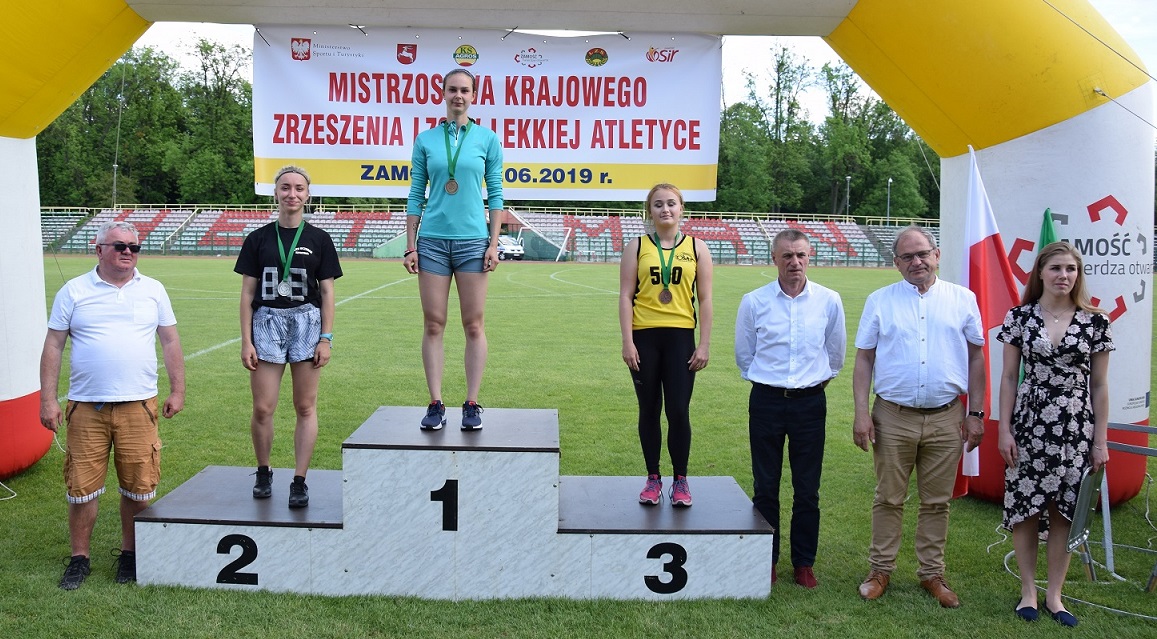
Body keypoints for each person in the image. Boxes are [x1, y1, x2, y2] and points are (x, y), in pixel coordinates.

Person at [40, 221, 186, 590]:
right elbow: (54, 345)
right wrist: (48, 399)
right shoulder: (74, 291)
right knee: (81, 487)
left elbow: (170, 341)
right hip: (86, 407)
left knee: (139, 487)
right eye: (119, 246)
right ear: (99, 249)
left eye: (134, 247)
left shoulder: (153, 289)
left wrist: (178, 390)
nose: (127, 252)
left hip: (139, 406)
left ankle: (130, 554)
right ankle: (79, 558)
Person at [852, 225, 985, 608]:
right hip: (892, 417)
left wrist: (975, 413)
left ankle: (932, 573)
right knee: (888, 498)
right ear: (896, 263)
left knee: (937, 501)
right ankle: (880, 570)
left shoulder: (962, 299)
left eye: (923, 254)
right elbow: (864, 358)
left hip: (947, 416)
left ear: (936, 255)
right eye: (907, 257)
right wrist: (861, 413)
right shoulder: (880, 300)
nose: (917, 262)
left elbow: (976, 357)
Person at [997, 242, 1112, 627]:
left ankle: (1055, 596)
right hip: (1029, 425)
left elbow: (1100, 385)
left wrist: (1099, 441)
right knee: (1026, 509)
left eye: (1071, 269)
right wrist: (1004, 430)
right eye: (1056, 268)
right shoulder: (1020, 317)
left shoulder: (1096, 322)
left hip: (1075, 428)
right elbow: (1009, 377)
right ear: (1041, 272)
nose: (1064, 275)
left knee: (1065, 511)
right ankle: (1028, 591)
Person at [735, 229, 845, 588]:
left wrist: (810, 386)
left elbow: (835, 355)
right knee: (765, 486)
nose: (794, 262)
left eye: (800, 255)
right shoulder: (754, 301)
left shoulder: (829, 300)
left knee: (807, 489)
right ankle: (766, 559)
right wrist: (773, 383)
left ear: (809, 257)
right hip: (766, 402)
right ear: (775, 259)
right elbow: (745, 355)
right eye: (787, 256)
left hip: (810, 405)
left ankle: (804, 562)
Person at [403, 68, 504, 431]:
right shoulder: (426, 139)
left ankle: (472, 404)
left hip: (473, 242)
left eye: (464, 90)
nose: (458, 95)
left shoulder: (488, 139)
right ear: (443, 93)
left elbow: (496, 194)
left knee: (473, 324)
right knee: (434, 323)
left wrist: (493, 243)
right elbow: (415, 194)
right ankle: (435, 402)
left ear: (474, 95)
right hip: (431, 241)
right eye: (452, 89)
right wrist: (410, 246)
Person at [236, 166, 342, 509]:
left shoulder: (319, 239)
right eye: (285, 187)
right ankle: (263, 470)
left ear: (307, 195)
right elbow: (246, 293)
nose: (291, 194)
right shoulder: (258, 239)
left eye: (298, 188)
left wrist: (325, 338)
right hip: (267, 321)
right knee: (263, 407)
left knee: (305, 406)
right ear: (276, 193)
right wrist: (246, 340)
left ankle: (299, 479)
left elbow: (327, 292)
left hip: (306, 322)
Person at [619, 183, 714, 507]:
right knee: (649, 409)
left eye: (671, 203)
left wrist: (703, 344)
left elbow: (705, 299)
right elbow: (625, 296)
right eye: (658, 204)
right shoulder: (636, 246)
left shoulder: (698, 248)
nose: (665, 209)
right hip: (644, 338)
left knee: (678, 410)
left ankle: (681, 480)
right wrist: (628, 341)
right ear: (650, 210)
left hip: (680, 338)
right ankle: (653, 478)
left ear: (681, 208)